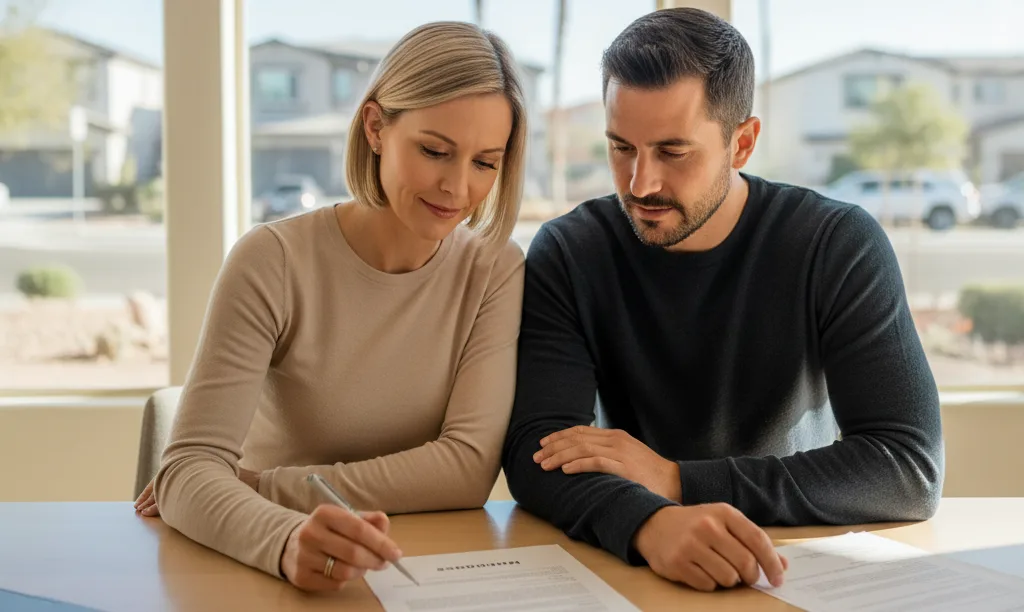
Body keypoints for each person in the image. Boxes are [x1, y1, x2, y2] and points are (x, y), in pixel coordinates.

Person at [502, 7, 943, 594]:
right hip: (634, 567)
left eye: (672, 152)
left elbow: (907, 469)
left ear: (743, 143)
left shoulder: (835, 244)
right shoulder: (571, 251)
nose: (640, 184)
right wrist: (650, 524)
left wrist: (679, 482)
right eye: (621, 148)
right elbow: (538, 454)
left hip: (791, 566)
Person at [133, 21, 528, 592]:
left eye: (485, 162)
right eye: (434, 151)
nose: (456, 187)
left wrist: (263, 485)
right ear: (375, 127)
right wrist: (286, 536)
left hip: (420, 572)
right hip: (262, 563)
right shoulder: (271, 260)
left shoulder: (494, 267)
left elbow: (467, 469)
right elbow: (187, 471)